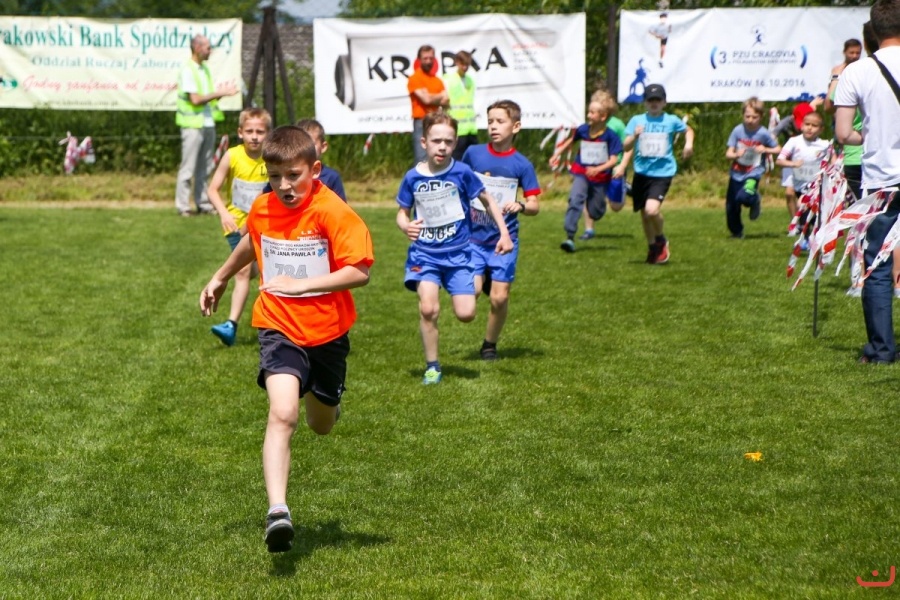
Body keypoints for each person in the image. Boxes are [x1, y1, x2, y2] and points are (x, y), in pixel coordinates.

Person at [199, 125, 374, 553]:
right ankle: (278, 511)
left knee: (321, 424)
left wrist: (303, 285)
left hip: (328, 333)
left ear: (315, 169)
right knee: (282, 413)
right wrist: (221, 276)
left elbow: (359, 271)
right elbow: (251, 240)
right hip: (278, 325)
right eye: (275, 176)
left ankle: (326, 398)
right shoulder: (263, 208)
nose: (284, 186)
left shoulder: (333, 212)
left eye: (293, 175)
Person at [396, 112, 513, 384]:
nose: (442, 147)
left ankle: (472, 282)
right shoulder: (412, 177)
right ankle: (432, 367)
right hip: (425, 255)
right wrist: (405, 226)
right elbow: (402, 212)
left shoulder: (462, 172)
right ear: (424, 142)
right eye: (436, 141)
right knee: (428, 309)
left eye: (448, 142)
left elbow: (488, 200)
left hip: (459, 254)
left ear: (455, 143)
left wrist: (504, 233)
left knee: (466, 314)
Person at [834, 0, 900, 364]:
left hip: (881, 180)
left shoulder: (856, 72)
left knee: (877, 264)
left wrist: (872, 136)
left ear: (873, 30)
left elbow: (844, 133)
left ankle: (881, 348)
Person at [461, 100, 541, 360]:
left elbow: (534, 205)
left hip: (504, 242)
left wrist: (521, 205)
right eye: (490, 122)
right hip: (473, 239)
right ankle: (483, 278)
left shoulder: (522, 165)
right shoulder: (473, 154)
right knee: (471, 294)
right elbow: (459, 183)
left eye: (500, 121)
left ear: (515, 127)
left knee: (499, 298)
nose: (493, 127)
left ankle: (489, 345)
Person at [206, 107, 272, 347]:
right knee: (243, 271)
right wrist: (224, 213)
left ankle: (275, 322)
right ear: (240, 132)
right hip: (236, 225)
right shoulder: (232, 156)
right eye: (250, 131)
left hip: (265, 224)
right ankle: (231, 326)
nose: (254, 136)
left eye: (260, 132)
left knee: (257, 271)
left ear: (268, 133)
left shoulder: (271, 158)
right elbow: (212, 189)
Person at [617, 83, 694, 264]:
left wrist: (688, 144)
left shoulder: (671, 120)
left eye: (658, 100)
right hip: (642, 173)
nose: (654, 103)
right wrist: (634, 136)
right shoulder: (637, 121)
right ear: (645, 102)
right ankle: (653, 248)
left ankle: (660, 239)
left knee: (651, 210)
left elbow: (689, 130)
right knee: (644, 214)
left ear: (664, 102)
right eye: (650, 100)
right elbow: (626, 146)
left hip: (662, 173)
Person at [175, 34, 239, 217]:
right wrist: (220, 92)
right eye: (208, 48)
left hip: (207, 123)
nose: (210, 51)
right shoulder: (188, 69)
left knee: (205, 167)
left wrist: (224, 93)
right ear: (197, 48)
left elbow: (208, 99)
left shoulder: (204, 70)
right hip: (192, 125)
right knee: (188, 168)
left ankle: (203, 203)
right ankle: (183, 206)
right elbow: (195, 100)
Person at [553, 98, 622, 252]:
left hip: (600, 178)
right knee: (575, 198)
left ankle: (598, 207)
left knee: (595, 211)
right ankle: (570, 236)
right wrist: (557, 153)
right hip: (582, 172)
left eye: (592, 112)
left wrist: (598, 169)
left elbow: (613, 160)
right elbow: (571, 140)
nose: (588, 115)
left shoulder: (611, 136)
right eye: (588, 112)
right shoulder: (583, 130)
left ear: (603, 116)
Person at [723, 97, 781, 238]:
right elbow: (728, 153)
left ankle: (754, 200)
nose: (750, 120)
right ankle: (736, 232)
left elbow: (778, 149)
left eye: (754, 117)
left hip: (753, 172)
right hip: (736, 173)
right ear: (743, 115)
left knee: (744, 196)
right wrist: (736, 154)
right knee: (732, 205)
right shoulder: (737, 131)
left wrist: (765, 149)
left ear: (761, 117)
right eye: (747, 116)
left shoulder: (763, 133)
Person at [582, 90, 631, 240]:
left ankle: (625, 187)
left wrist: (622, 166)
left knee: (616, 207)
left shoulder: (617, 124)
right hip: (595, 168)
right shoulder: (590, 124)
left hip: (614, 167)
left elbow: (628, 147)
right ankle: (589, 230)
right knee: (587, 196)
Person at [775, 111, 830, 219]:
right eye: (807, 124)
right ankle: (797, 224)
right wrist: (793, 164)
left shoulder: (825, 145)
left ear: (821, 129)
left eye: (814, 125)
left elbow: (833, 162)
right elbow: (779, 160)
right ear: (802, 126)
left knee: (809, 212)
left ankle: (806, 226)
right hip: (798, 183)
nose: (810, 128)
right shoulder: (794, 141)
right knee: (798, 203)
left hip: (816, 186)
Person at [408, 45, 448, 165]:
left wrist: (431, 97)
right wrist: (439, 96)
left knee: (436, 154)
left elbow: (446, 100)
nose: (428, 61)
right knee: (421, 157)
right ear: (419, 60)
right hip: (421, 121)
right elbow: (426, 99)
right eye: (425, 58)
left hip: (436, 121)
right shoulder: (414, 78)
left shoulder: (437, 80)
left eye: (431, 58)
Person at [295, 118, 347, 202]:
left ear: (323, 147)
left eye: (311, 144)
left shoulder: (331, 177)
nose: (305, 149)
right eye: (300, 144)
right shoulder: (286, 174)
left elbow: (341, 207)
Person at [443, 51, 478, 161]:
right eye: (462, 64)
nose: (465, 67)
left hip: (471, 128)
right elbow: (443, 101)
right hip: (457, 128)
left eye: (467, 64)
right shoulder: (448, 79)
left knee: (473, 160)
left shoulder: (470, 80)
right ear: (457, 62)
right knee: (456, 159)